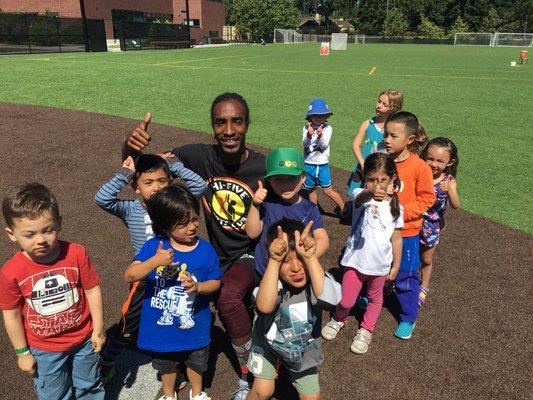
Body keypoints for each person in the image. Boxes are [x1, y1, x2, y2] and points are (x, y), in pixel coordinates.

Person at [123, 93, 265, 399]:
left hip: (248, 253)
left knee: (226, 298)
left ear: (247, 124)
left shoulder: (262, 166)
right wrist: (130, 147)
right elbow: (150, 166)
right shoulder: (199, 155)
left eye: (236, 121)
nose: (229, 130)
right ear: (213, 126)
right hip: (212, 255)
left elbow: (294, 194)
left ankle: (249, 370)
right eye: (221, 122)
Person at [94, 152, 206, 382]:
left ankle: (176, 367)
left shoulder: (175, 205)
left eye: (162, 181)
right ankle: (106, 363)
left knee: (176, 318)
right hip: (145, 278)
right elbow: (102, 198)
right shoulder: (132, 209)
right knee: (128, 324)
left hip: (175, 276)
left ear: (170, 182)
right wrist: (125, 174)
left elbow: (199, 186)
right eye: (148, 182)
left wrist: (175, 164)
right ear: (136, 187)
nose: (156, 188)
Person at [0, 183, 105, 400]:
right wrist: (22, 353)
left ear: (59, 224)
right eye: (29, 234)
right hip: (44, 348)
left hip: (83, 339)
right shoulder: (11, 271)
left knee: (90, 385)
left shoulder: (75, 253)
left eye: (48, 230)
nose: (41, 240)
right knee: (55, 394)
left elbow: (92, 289)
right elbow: (11, 314)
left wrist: (99, 328)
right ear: (11, 234)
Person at [123, 185, 222, 400]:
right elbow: (130, 275)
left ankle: (198, 393)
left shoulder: (205, 249)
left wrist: (199, 287)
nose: (192, 227)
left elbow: (215, 282)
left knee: (197, 362)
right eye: (183, 223)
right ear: (165, 226)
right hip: (162, 330)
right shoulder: (154, 247)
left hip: (195, 325)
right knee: (166, 365)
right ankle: (169, 395)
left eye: (195, 219)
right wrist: (155, 261)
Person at [246, 218, 341, 400]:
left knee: (311, 397)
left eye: (301, 258)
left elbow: (331, 300)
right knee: (262, 391)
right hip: (267, 342)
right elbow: (265, 306)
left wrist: (310, 257)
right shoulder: (272, 283)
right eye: (286, 261)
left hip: (302, 350)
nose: (296, 267)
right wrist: (274, 260)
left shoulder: (317, 281)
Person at [321, 153, 403, 354]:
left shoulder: (397, 208)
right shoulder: (360, 195)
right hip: (355, 262)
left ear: (392, 179)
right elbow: (362, 196)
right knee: (347, 299)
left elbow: (397, 238)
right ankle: (338, 318)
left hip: (380, 266)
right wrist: (372, 190)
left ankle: (366, 329)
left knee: (375, 299)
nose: (378, 185)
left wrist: (396, 265)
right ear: (365, 179)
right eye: (372, 180)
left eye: (383, 180)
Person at [383, 111, 435, 339]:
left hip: (407, 233)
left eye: (393, 136)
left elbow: (427, 197)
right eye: (386, 134)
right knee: (379, 267)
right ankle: (375, 294)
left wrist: (402, 213)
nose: (387, 139)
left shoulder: (419, 167)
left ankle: (408, 316)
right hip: (381, 230)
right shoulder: (382, 161)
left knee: (405, 276)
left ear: (410, 140)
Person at [245, 147, 329, 277]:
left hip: (294, 273)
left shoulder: (310, 209)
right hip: (266, 272)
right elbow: (252, 233)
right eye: (278, 179)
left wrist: (305, 258)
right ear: (269, 181)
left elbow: (322, 239)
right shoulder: (267, 204)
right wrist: (255, 205)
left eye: (291, 178)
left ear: (303, 177)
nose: (285, 184)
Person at [418, 137, 460, 306]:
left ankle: (424, 287)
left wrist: (450, 191)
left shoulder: (449, 180)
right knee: (408, 254)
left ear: (450, 162)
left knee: (426, 259)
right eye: (430, 158)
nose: (434, 164)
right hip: (413, 221)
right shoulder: (421, 172)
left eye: (440, 161)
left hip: (431, 226)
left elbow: (456, 205)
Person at [347, 89, 403, 197]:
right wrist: (363, 164)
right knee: (356, 197)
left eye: (384, 104)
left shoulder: (392, 129)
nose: (379, 105)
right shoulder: (368, 124)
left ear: (393, 109)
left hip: (380, 173)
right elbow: (355, 145)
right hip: (362, 168)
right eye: (379, 101)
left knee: (375, 199)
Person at [301, 98, 346, 216]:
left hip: (322, 164)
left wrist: (320, 136)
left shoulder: (327, 128)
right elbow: (305, 144)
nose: (318, 118)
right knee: (311, 190)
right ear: (310, 117)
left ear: (326, 116)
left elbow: (323, 145)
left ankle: (344, 209)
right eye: (315, 115)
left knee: (328, 190)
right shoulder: (306, 128)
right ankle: (314, 212)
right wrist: (309, 135)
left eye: (321, 115)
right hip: (308, 164)